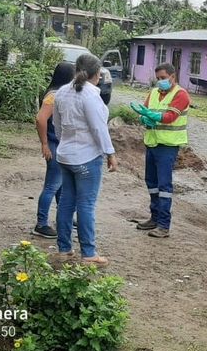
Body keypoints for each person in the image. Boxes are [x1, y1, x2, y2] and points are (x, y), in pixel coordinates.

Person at [52, 54, 118, 266]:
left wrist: (65, 143)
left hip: (65, 156)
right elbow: (99, 128)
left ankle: (64, 249)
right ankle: (89, 253)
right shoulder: (90, 95)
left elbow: (57, 125)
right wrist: (110, 153)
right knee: (86, 205)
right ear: (97, 74)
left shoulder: (62, 92)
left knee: (66, 203)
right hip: (87, 157)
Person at [130, 62, 191, 238]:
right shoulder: (154, 93)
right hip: (152, 143)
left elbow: (170, 117)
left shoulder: (181, 94)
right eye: (158, 78)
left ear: (173, 76)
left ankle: (164, 225)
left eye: (163, 78)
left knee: (164, 186)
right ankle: (154, 218)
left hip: (168, 146)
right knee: (152, 183)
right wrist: (143, 118)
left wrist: (151, 115)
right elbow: (144, 111)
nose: (160, 81)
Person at [32, 62, 75, 239]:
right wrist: (44, 144)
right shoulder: (54, 96)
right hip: (54, 145)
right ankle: (41, 224)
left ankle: (63, 217)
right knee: (52, 185)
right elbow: (40, 119)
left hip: (59, 144)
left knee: (60, 185)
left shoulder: (58, 93)